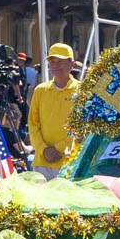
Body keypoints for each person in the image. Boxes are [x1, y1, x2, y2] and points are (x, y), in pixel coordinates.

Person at [28, 42, 81, 179]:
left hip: (71, 161)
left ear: (71, 64)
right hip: (42, 161)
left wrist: (59, 148)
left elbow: (83, 126)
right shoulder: (40, 90)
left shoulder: (82, 90)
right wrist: (43, 149)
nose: (56, 66)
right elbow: (33, 124)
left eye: (60, 61)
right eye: (52, 62)